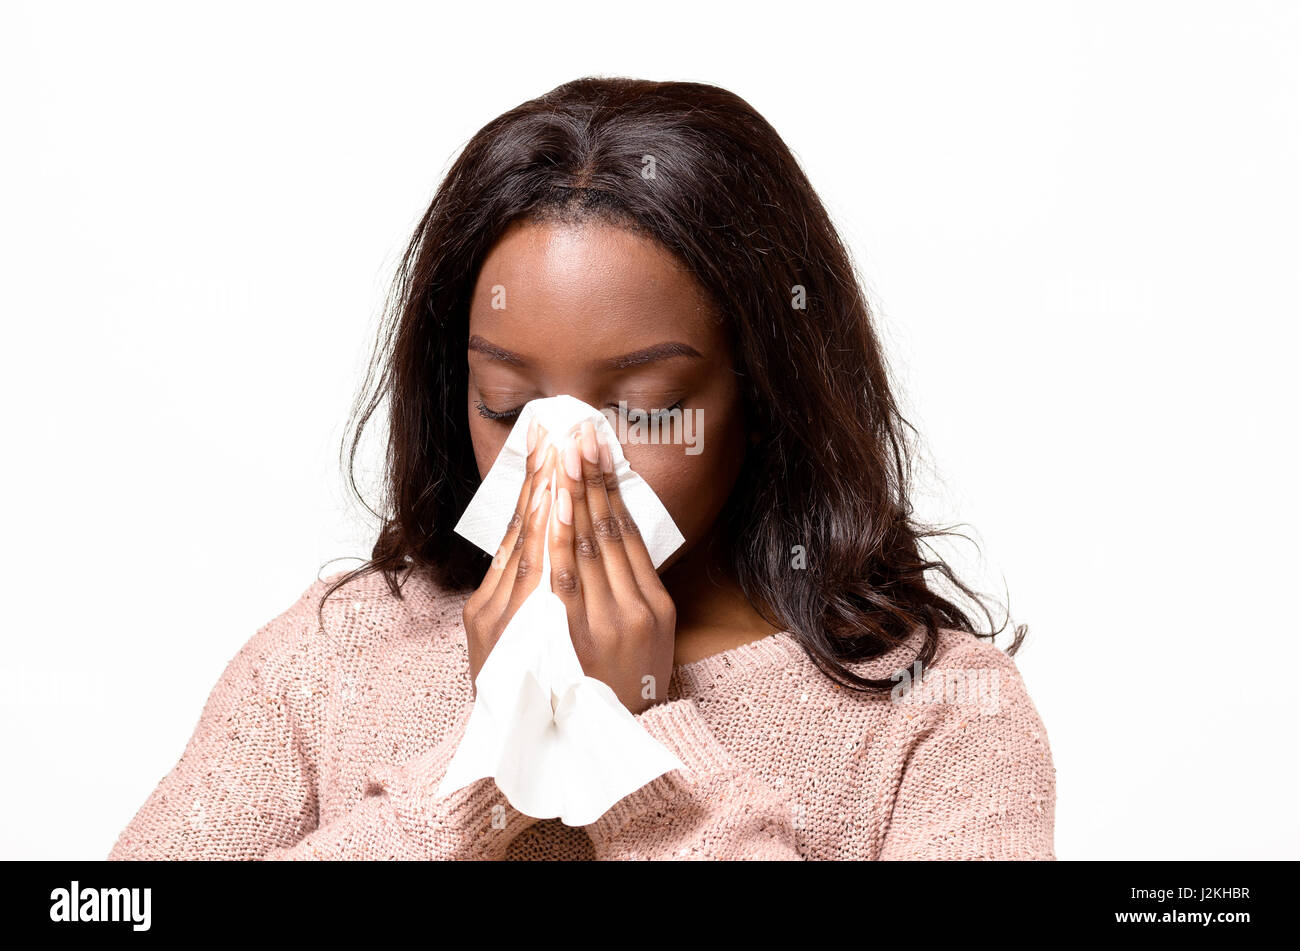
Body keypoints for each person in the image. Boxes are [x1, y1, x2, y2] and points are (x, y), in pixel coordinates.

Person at [108, 77, 1055, 861]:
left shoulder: (938, 720)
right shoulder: (332, 656)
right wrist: (483, 757)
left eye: (642, 407)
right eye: (511, 409)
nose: (560, 459)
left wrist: (638, 748)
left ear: (765, 395)